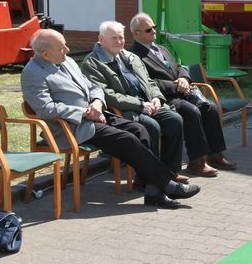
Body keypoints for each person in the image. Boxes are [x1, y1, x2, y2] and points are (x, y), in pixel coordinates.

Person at [21, 29, 199, 209]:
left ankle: (154, 192)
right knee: (127, 139)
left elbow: (93, 87)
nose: (67, 50)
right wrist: (83, 111)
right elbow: (45, 109)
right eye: (61, 48)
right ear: (45, 54)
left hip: (96, 115)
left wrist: (97, 102)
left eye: (65, 44)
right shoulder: (32, 73)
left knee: (140, 130)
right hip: (72, 126)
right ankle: (168, 184)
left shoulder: (65, 61)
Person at [128, 12, 237, 173]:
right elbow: (148, 82)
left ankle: (215, 154)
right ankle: (197, 160)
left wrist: (185, 79)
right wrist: (176, 86)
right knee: (191, 111)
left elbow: (179, 67)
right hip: (164, 98)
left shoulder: (161, 48)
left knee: (210, 107)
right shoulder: (134, 56)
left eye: (154, 27)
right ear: (136, 33)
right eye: (148, 29)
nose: (154, 31)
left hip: (182, 90)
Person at [80, 20, 190, 178]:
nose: (119, 42)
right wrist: (139, 105)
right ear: (101, 39)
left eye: (121, 37)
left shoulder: (131, 57)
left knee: (174, 120)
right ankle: (149, 178)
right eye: (114, 38)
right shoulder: (92, 63)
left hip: (147, 104)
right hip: (124, 110)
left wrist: (157, 97)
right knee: (151, 126)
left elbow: (149, 81)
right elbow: (106, 94)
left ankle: (170, 173)